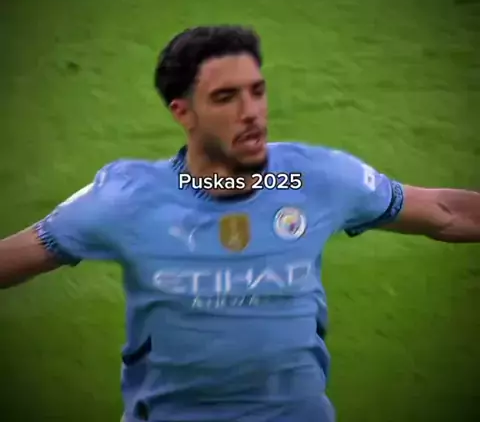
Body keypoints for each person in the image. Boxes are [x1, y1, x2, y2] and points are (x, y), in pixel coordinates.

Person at [1, 25, 479, 422]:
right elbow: (16, 256)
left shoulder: (318, 178)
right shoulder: (127, 198)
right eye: (225, 97)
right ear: (183, 112)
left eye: (257, 91)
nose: (251, 113)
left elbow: (443, 212)